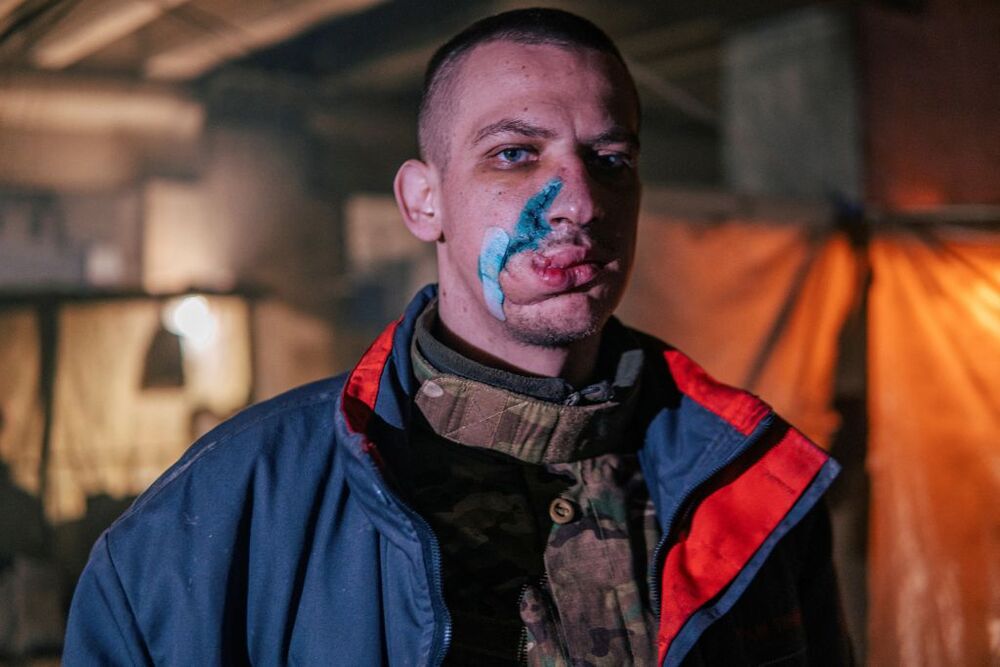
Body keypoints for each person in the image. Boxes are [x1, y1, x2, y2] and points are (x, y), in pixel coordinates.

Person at [64, 8, 852, 666]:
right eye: (515, 154)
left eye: (610, 159)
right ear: (423, 202)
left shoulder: (751, 481)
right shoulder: (220, 515)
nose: (577, 199)